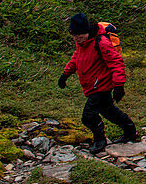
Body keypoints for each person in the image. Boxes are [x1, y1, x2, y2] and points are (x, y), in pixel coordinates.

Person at [58, 13, 137, 155]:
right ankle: (130, 130)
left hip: (100, 86)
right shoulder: (82, 43)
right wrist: (65, 75)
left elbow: (116, 62)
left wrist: (119, 86)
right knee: (109, 112)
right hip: (92, 86)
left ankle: (100, 140)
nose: (75, 39)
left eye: (78, 35)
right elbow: (76, 59)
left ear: (85, 31)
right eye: (74, 36)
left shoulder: (101, 42)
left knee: (88, 116)